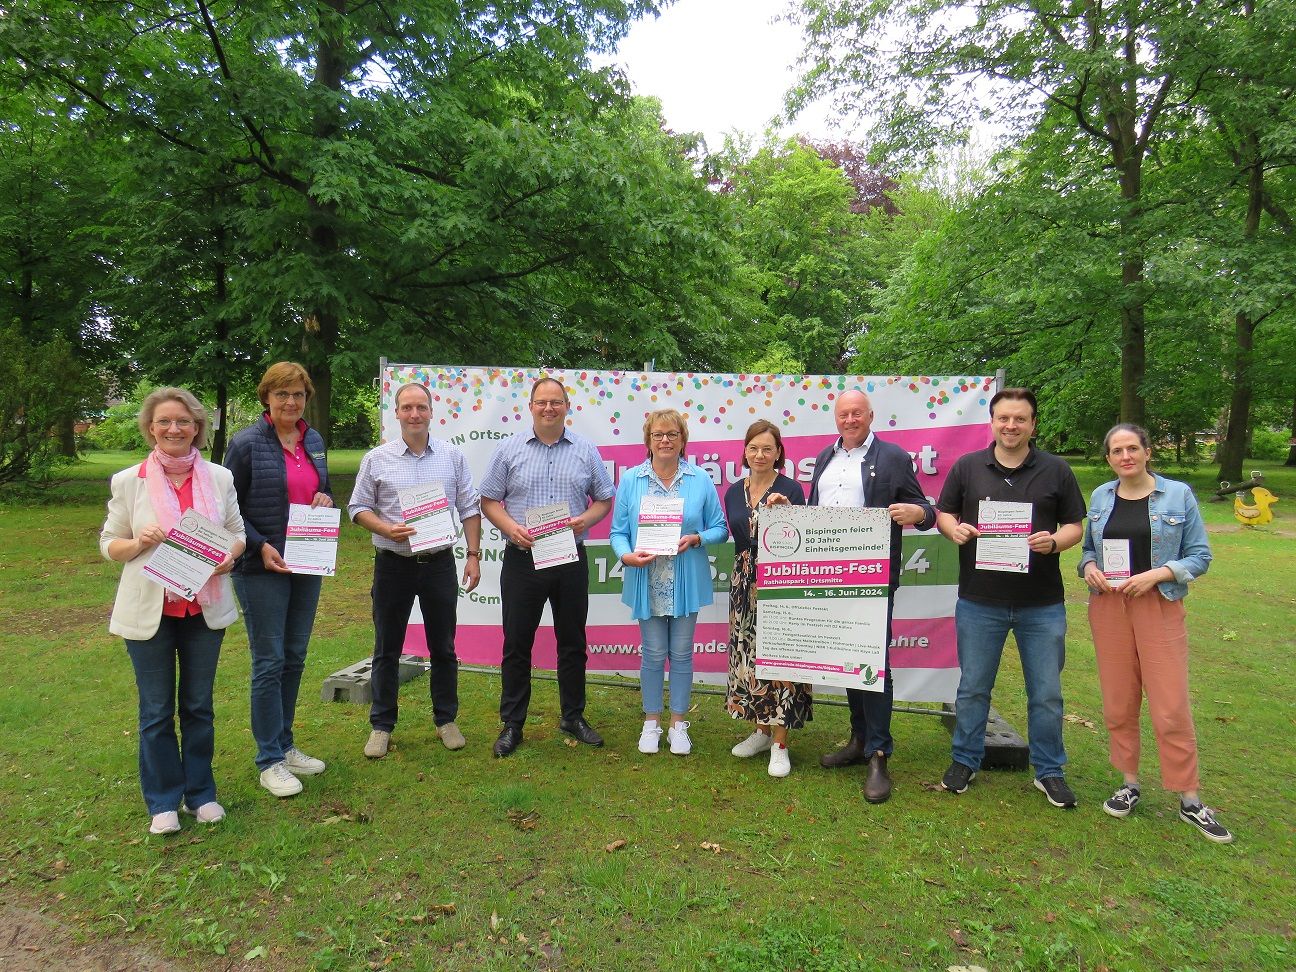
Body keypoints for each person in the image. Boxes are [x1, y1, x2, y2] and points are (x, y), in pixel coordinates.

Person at [100, 387, 245, 835]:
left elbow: (236, 531)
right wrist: (138, 542)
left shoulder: (219, 478)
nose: (174, 429)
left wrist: (231, 555)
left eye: (183, 421)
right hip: (150, 611)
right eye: (164, 421)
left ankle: (200, 793)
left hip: (203, 611)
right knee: (157, 710)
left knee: (199, 707)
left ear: (197, 428)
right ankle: (163, 800)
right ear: (150, 428)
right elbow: (109, 544)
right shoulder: (130, 481)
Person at [1079, 424, 1232, 842]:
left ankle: (1190, 799)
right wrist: (1089, 568)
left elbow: (1199, 555)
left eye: (1132, 448)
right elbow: (1089, 551)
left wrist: (1158, 574)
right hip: (1109, 606)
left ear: (1147, 452)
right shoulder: (1100, 497)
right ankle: (1129, 784)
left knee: (1170, 706)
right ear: (1109, 458)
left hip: (1158, 604)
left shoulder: (1177, 495)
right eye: (1116, 450)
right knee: (1118, 701)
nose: (1125, 456)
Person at [936, 387, 1086, 808]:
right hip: (980, 599)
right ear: (992, 422)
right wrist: (954, 530)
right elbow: (946, 513)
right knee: (973, 688)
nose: (1011, 425)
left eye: (1020, 419)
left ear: (1033, 424)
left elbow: (1075, 524)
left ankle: (1049, 771)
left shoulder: (1056, 470)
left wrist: (1055, 542)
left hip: (1042, 604)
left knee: (1046, 692)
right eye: (1004, 418)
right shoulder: (968, 467)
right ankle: (965, 760)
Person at [807, 391, 936, 803]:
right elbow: (812, 512)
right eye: (843, 413)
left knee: (873, 660)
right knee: (848, 657)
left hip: (872, 577)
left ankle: (879, 753)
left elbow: (925, 508)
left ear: (870, 416)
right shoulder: (825, 458)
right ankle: (858, 739)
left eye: (856, 413)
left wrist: (919, 514)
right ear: (836, 418)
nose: (850, 419)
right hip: (829, 577)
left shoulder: (893, 456)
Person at [479, 376, 615, 757]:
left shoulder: (585, 450)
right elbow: (488, 500)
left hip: (570, 559)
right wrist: (511, 527)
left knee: (572, 641)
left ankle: (573, 715)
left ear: (567, 407)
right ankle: (512, 724)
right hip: (524, 559)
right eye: (542, 402)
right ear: (531, 406)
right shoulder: (509, 449)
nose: (549, 408)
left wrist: (586, 520)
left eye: (556, 402)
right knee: (517, 643)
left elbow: (604, 498)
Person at [348, 382, 482, 759]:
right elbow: (357, 508)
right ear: (396, 413)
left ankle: (446, 719)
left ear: (431, 411)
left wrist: (473, 554)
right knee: (386, 649)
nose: (414, 414)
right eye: (407, 407)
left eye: (421, 407)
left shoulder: (452, 457)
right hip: (393, 565)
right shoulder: (377, 458)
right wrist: (385, 528)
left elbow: (470, 507)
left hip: (439, 563)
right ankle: (382, 725)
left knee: (444, 646)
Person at [225, 362, 333, 799]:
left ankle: (285, 746)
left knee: (295, 656)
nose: (291, 402)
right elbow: (227, 507)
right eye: (282, 394)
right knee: (268, 660)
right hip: (261, 567)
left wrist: (325, 499)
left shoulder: (315, 441)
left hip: (307, 563)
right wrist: (257, 544)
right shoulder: (246, 443)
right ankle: (268, 759)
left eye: (298, 394)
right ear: (266, 398)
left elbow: (319, 493)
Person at [610, 410, 728, 756]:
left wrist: (696, 539)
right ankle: (651, 722)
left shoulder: (700, 480)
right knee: (653, 653)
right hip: (647, 579)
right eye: (658, 434)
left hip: (685, 580)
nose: (665, 440)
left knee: (681, 654)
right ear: (648, 440)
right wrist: (625, 555)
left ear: (682, 440)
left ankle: (678, 724)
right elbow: (618, 532)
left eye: (672, 434)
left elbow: (720, 528)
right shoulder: (631, 480)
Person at [724, 420, 810, 778]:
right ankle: (759, 730)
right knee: (748, 653)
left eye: (768, 449)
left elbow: (802, 538)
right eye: (754, 448)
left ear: (779, 453)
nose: (760, 455)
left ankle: (780, 742)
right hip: (744, 582)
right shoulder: (732, 491)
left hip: (779, 581)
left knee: (781, 657)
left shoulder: (792, 489)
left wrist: (787, 511)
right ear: (745, 450)